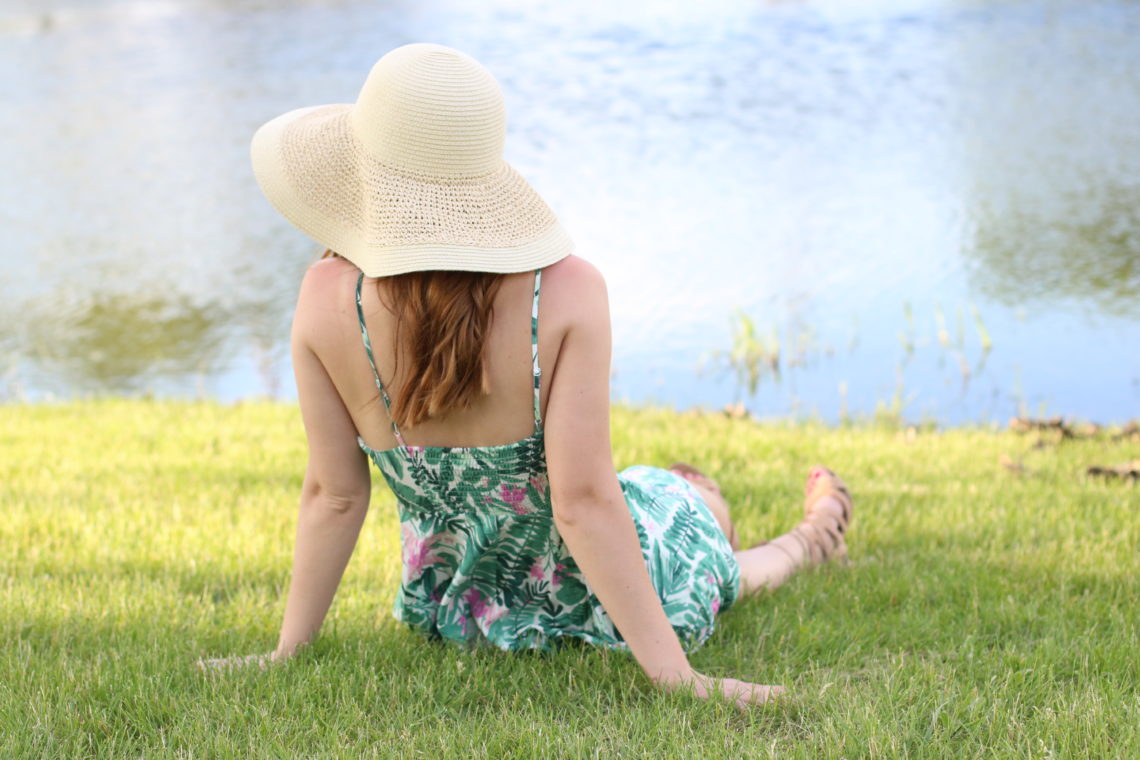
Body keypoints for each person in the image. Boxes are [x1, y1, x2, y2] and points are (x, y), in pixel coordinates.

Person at [198, 43, 853, 710]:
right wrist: (678, 676)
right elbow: (585, 502)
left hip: (463, 616)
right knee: (690, 517)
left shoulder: (324, 299)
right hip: (604, 604)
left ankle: (730, 507)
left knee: (670, 495)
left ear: (361, 173)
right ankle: (807, 536)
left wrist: (288, 651)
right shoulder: (565, 292)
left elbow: (334, 495)